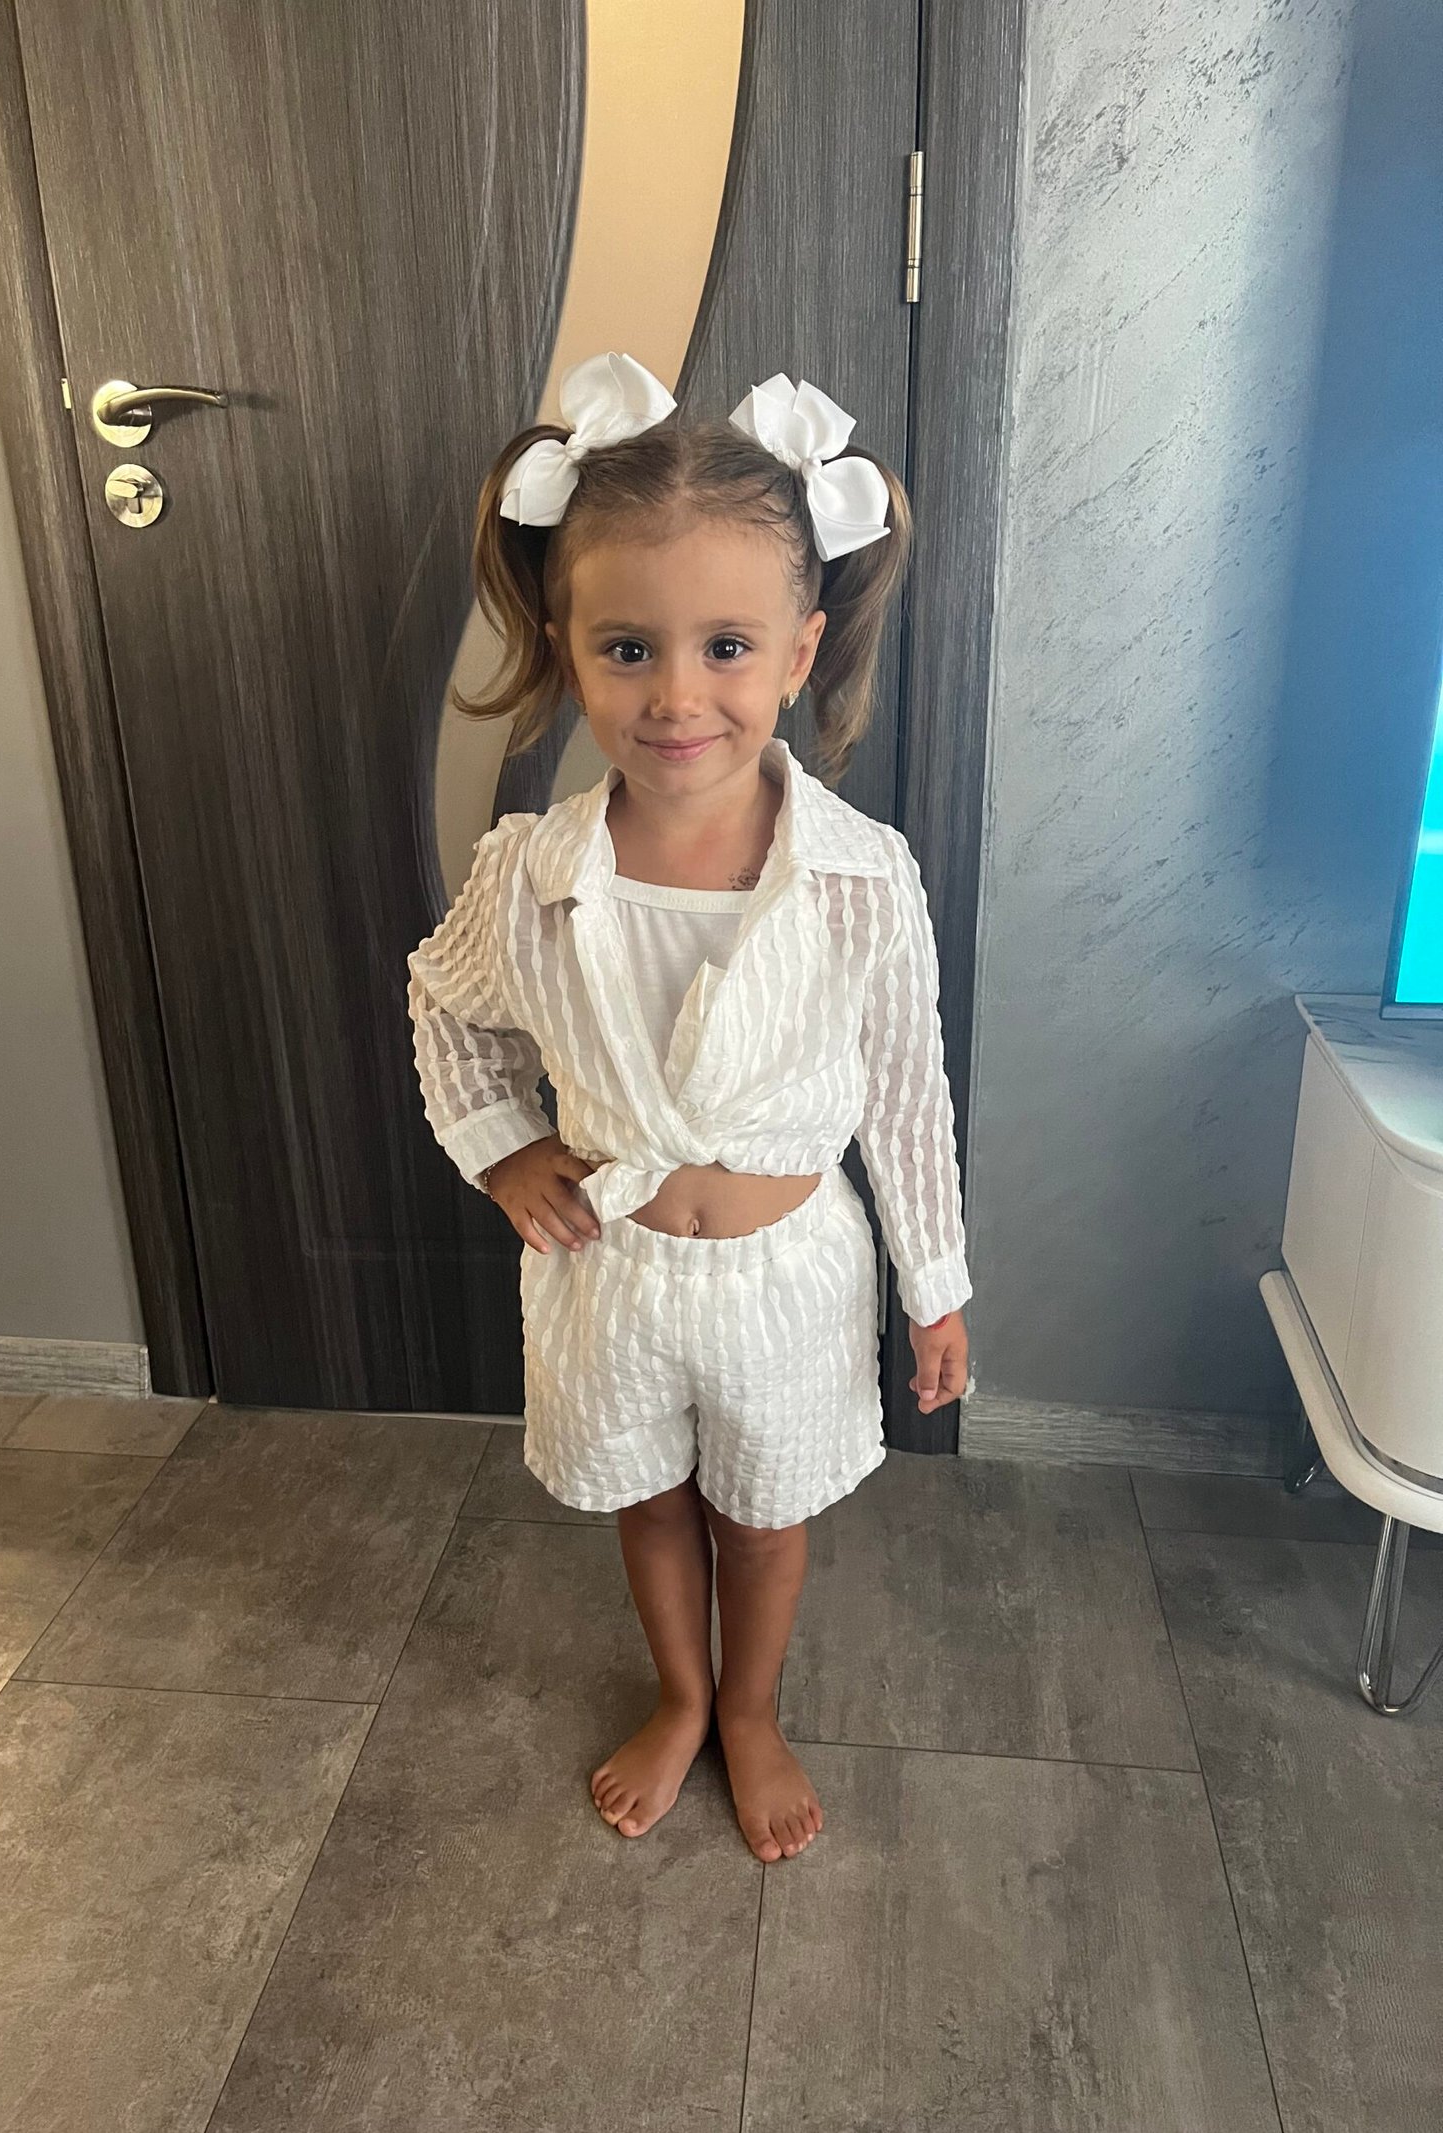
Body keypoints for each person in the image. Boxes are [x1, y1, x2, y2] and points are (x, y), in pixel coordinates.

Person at [408, 352, 971, 1866]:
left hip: (790, 1278)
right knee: (649, 1500)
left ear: (798, 651)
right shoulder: (532, 875)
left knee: (763, 1517)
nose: (676, 695)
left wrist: (934, 1280)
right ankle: (678, 1692)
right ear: (567, 651)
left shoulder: (859, 879)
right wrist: (505, 1149)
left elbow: (906, 1087)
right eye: (628, 648)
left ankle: (752, 1709)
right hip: (615, 1271)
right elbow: (447, 1005)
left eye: (725, 646)